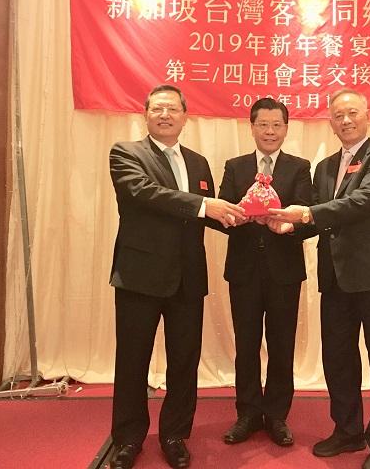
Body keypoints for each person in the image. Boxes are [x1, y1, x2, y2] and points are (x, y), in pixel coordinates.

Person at [108, 84, 245, 469]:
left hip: (188, 276)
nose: (165, 115)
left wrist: (249, 213)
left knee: (185, 361)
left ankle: (174, 435)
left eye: (173, 109)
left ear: (186, 116)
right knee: (132, 360)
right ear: (146, 114)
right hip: (139, 274)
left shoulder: (198, 162)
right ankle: (128, 438)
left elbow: (211, 215)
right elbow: (145, 194)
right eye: (158, 108)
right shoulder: (126, 154)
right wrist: (207, 205)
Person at [268, 89, 370, 469]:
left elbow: (361, 203)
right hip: (335, 278)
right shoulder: (325, 166)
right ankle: (347, 430)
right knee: (338, 358)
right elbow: (321, 220)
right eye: (338, 115)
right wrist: (284, 226)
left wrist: (305, 215)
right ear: (330, 121)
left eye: (352, 113)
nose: (345, 120)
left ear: (368, 115)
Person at [217, 97, 313, 447]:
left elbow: (309, 217)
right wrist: (237, 216)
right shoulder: (235, 166)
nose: (270, 131)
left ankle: (276, 415)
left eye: (277, 125)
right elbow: (221, 214)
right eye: (263, 125)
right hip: (243, 269)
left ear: (286, 128)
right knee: (245, 344)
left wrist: (288, 225)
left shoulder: (299, 167)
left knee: (281, 343)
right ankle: (246, 413)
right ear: (252, 127)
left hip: (284, 270)